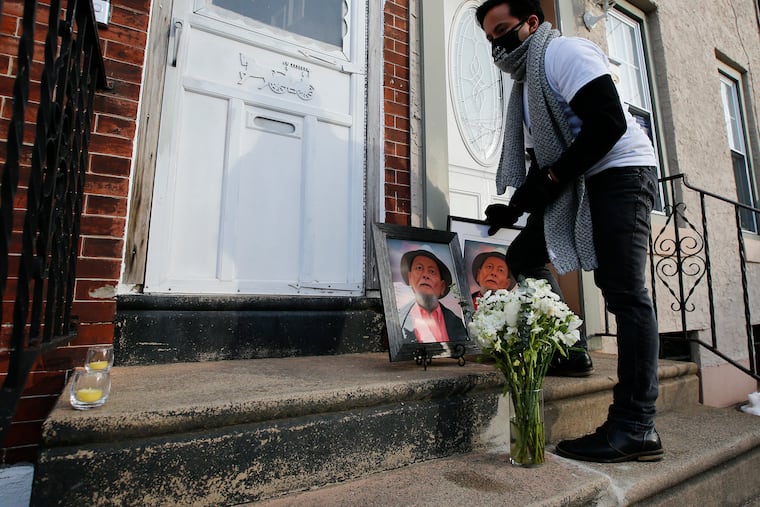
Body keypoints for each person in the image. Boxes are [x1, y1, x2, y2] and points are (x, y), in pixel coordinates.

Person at [475, 0, 662, 463]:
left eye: (502, 29)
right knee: (522, 257)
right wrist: (514, 206)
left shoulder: (563, 55)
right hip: (583, 180)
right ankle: (571, 350)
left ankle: (636, 426)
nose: (496, 44)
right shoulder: (526, 84)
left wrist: (548, 182)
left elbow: (608, 124)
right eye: (487, 38)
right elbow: (549, 164)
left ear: (532, 23)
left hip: (620, 172)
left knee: (623, 294)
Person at [398, 248, 469, 344]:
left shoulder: (457, 323)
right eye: (419, 268)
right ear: (410, 277)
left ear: (442, 286)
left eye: (432, 271)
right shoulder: (399, 318)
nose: (425, 275)